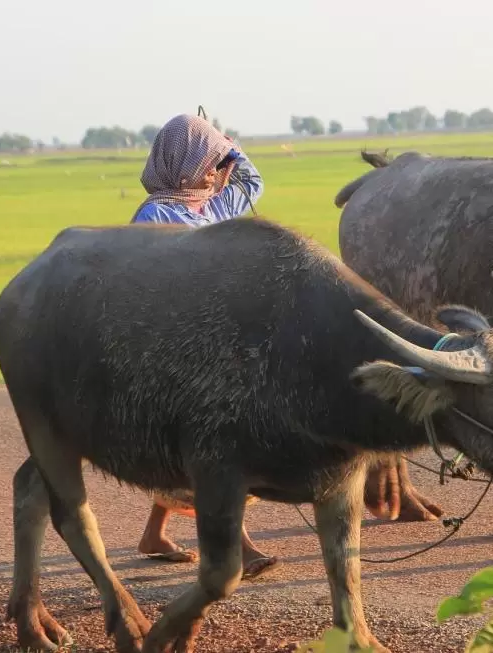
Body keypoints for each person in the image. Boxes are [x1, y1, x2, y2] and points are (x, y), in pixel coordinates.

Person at [130, 114, 276, 579]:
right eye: (210, 162)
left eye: (219, 163)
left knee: (187, 453)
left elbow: (253, 179)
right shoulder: (155, 216)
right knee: (216, 445)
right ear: (187, 165)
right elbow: (148, 286)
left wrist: (229, 143)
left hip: (220, 342)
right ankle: (239, 545)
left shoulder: (213, 204)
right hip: (179, 347)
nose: (219, 171)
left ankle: (154, 533)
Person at [131, 113, 263, 226]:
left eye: (216, 162)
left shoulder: (219, 205)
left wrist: (226, 144)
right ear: (178, 164)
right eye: (203, 162)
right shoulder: (156, 216)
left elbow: (251, 182)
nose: (214, 171)